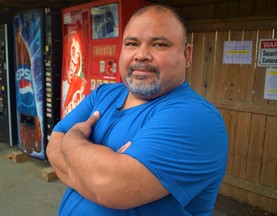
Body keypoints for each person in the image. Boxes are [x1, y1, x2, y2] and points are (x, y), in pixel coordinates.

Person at [47, 4, 228, 216]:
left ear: (186, 55)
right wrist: (92, 176)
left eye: (159, 44)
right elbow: (53, 144)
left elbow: (111, 187)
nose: (141, 55)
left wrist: (73, 138)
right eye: (132, 43)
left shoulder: (198, 118)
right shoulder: (104, 94)